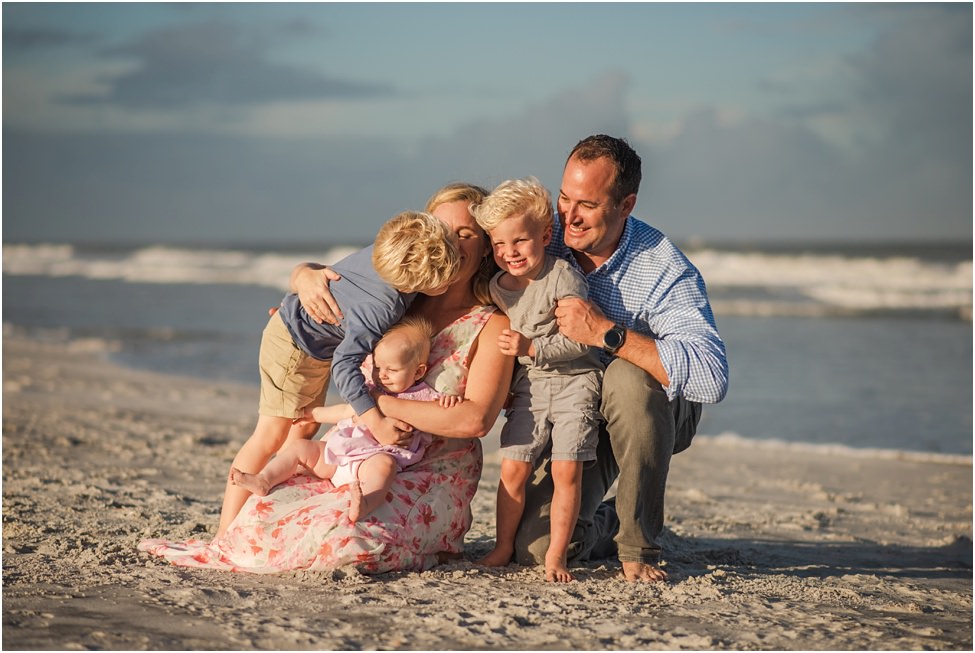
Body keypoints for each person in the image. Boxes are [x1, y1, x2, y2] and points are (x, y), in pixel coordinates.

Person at [139, 183, 515, 573]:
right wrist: (303, 279)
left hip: (426, 471)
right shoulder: (396, 300)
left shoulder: (491, 324)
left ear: (487, 244)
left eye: (466, 234)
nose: (450, 242)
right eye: (440, 228)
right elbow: (329, 301)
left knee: (344, 541)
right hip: (351, 456)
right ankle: (225, 538)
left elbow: (475, 420)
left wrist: (377, 406)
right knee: (259, 518)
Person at [513, 135, 729, 582]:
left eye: (587, 205)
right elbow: (455, 246)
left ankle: (638, 544)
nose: (568, 216)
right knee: (536, 547)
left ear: (625, 205)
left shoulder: (662, 265)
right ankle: (611, 520)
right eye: (564, 197)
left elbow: (711, 378)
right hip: (577, 409)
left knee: (628, 379)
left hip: (653, 409)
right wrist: (327, 277)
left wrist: (606, 334)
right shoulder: (544, 236)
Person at [215, 210, 460, 537]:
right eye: (444, 281)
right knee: (270, 434)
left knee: (301, 432)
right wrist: (376, 423)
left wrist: (301, 277)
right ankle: (224, 530)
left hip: (305, 339)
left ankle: (263, 520)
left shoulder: (387, 251)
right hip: (294, 345)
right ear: (414, 282)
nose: (449, 283)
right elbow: (345, 365)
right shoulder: (381, 307)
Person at [470, 177, 602, 583]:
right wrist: (508, 382)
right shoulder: (497, 287)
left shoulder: (563, 277)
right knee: (513, 469)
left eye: (520, 241)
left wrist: (532, 349)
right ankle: (502, 546)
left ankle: (556, 557)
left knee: (566, 472)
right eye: (499, 245)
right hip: (530, 390)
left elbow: (582, 341)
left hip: (576, 383)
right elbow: (500, 343)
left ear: (546, 235)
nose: (510, 253)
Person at [229, 315, 461, 522]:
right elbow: (345, 411)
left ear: (418, 372)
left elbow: (440, 413)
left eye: (392, 369)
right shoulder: (370, 388)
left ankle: (366, 502)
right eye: (378, 367)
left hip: (372, 461)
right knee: (301, 448)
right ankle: (264, 479)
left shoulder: (421, 395)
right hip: (339, 456)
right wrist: (314, 413)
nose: (383, 375)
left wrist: (449, 401)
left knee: (385, 467)